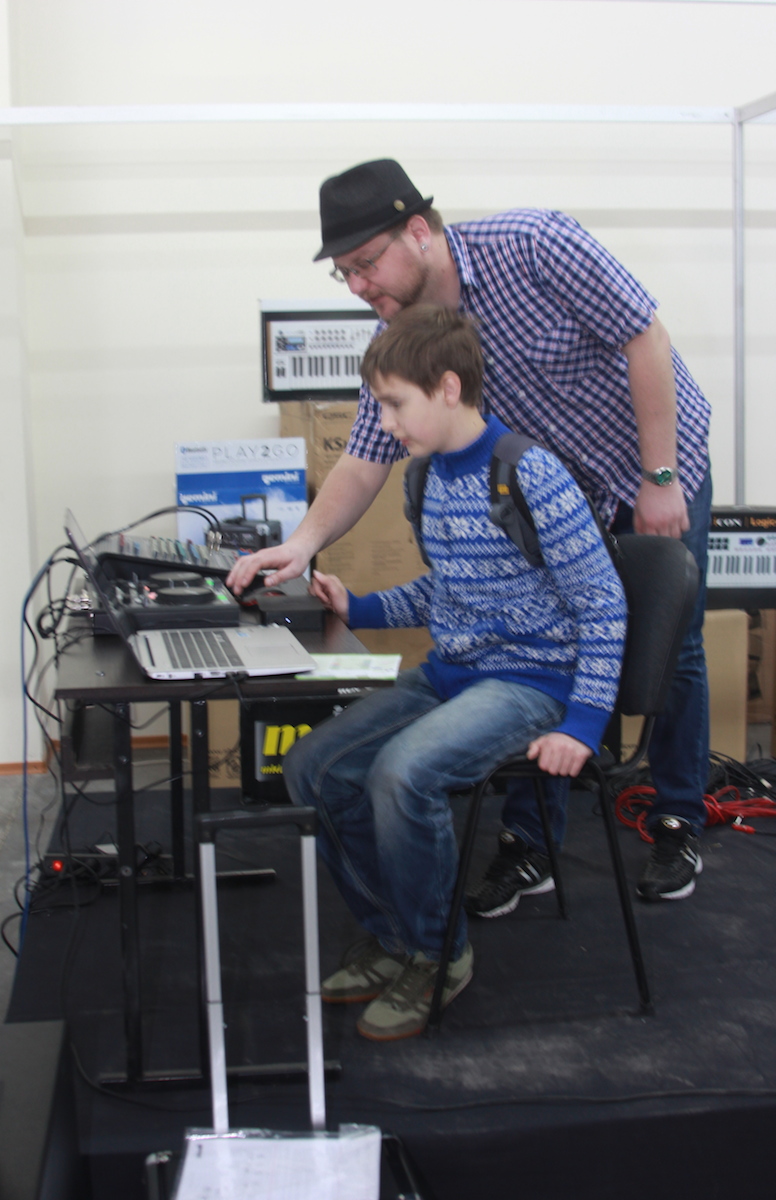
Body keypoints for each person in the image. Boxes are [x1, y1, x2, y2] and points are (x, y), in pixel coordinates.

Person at [228, 157, 711, 906]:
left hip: (645, 459)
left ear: (418, 232)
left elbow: (644, 337)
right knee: (534, 647)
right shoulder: (404, 338)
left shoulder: (536, 246)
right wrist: (301, 544)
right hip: (551, 488)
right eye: (344, 273)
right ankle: (531, 844)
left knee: (671, 646)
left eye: (365, 263)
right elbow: (364, 457)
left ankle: (677, 818)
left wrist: (660, 477)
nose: (357, 285)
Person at [282, 305, 626, 1041]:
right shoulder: (427, 477)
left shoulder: (531, 474)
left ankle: (437, 956)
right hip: (454, 672)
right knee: (313, 768)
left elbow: (603, 602)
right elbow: (449, 589)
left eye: (393, 404)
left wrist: (585, 724)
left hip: (534, 683)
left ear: (446, 387)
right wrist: (358, 606)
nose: (385, 423)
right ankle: (396, 935)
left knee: (403, 774)